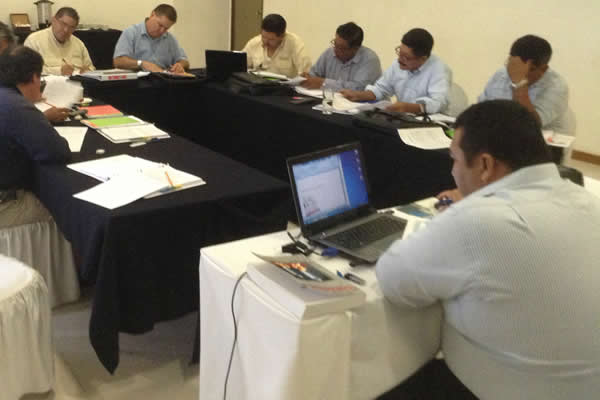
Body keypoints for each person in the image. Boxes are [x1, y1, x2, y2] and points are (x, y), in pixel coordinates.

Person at [375, 100, 600, 399]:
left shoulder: (478, 221)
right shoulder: (588, 202)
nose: (453, 172)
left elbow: (393, 280)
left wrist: (460, 213)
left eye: (455, 160)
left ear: (485, 165)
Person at [0, 46, 71, 228]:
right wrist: (35, 117)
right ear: (34, 77)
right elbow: (57, 152)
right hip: (6, 206)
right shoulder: (17, 106)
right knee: (68, 211)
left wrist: (40, 117)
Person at [340, 28, 450, 114]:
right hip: (402, 117)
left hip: (428, 123)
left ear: (423, 59)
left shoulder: (439, 70)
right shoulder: (398, 64)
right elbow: (381, 89)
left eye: (406, 57)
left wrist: (409, 107)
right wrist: (358, 95)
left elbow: (438, 103)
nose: (400, 59)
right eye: (400, 53)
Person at [478, 35, 569, 133]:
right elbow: (481, 111)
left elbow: (529, 124)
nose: (519, 72)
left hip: (539, 139)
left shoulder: (557, 86)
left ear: (544, 69)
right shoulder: (501, 74)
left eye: (530, 69)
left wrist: (519, 83)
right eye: (514, 65)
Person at [300, 22, 381, 91]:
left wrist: (324, 83)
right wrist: (307, 77)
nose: (335, 50)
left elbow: (359, 88)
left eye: (341, 48)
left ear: (355, 48)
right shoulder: (329, 52)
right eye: (335, 44)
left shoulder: (370, 60)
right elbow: (315, 73)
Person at [113, 4, 189, 73]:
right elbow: (118, 61)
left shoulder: (169, 39)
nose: (162, 31)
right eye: (160, 25)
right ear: (152, 15)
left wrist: (180, 65)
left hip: (163, 79)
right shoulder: (131, 33)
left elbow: (184, 61)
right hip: (137, 80)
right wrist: (142, 63)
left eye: (166, 28)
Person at [24, 7, 95, 76]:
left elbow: (91, 68)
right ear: (53, 20)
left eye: (71, 27)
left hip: (78, 83)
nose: (66, 30)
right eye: (63, 24)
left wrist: (88, 71)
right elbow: (27, 71)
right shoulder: (34, 41)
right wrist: (58, 71)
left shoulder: (78, 44)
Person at [241, 13, 311, 78]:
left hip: (284, 86)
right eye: (263, 37)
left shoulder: (295, 44)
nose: (265, 42)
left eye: (271, 39)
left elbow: (305, 74)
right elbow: (240, 65)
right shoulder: (255, 42)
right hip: (257, 84)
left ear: (282, 36)